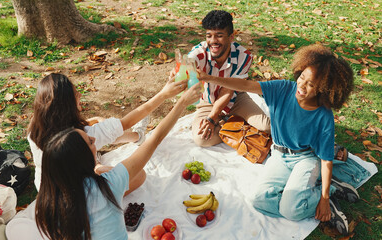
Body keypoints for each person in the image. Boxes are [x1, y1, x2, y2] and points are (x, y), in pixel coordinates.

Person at [197, 44, 359, 235]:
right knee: (258, 201)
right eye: (302, 78)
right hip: (279, 155)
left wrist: (323, 198)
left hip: (305, 159)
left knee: (290, 210)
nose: (302, 86)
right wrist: (209, 78)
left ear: (323, 89)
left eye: (311, 84)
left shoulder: (324, 116)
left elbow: (325, 159)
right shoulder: (282, 88)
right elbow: (246, 86)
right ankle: (312, 195)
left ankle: (328, 196)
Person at [35, 84, 201, 240]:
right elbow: (155, 138)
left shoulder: (47, 203)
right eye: (91, 142)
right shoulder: (108, 185)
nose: (94, 139)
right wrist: (182, 103)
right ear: (83, 160)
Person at [28, 73, 188, 194]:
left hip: (45, 189)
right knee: (139, 176)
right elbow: (127, 123)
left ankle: (136, 137)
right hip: (78, 195)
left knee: (98, 122)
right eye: (77, 95)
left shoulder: (35, 128)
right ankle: (136, 137)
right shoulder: (80, 138)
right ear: (68, 105)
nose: (80, 96)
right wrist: (164, 95)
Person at [185, 10, 270, 147]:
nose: (213, 41)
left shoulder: (244, 56)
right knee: (201, 139)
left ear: (231, 37)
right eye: (209, 36)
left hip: (235, 98)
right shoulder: (199, 53)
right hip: (208, 101)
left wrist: (212, 119)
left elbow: (228, 91)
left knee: (266, 127)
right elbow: (187, 64)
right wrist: (182, 71)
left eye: (219, 36)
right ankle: (232, 124)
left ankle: (227, 122)